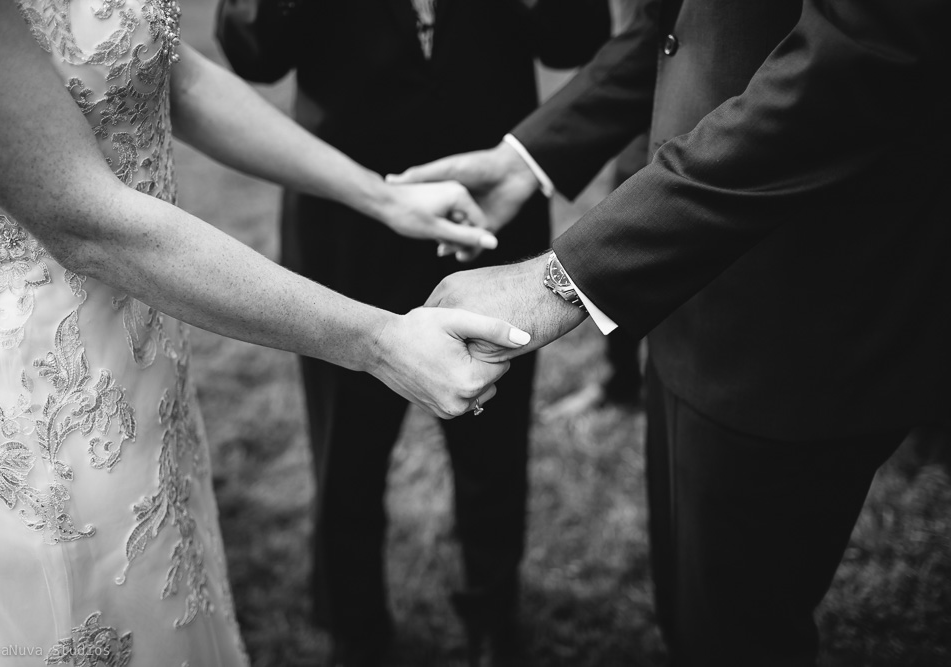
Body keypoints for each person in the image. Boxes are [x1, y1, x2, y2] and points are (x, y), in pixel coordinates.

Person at [0, 0, 532, 665]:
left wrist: (381, 195)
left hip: (147, 350)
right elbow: (88, 223)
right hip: (39, 395)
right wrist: (377, 339)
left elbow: (179, 77)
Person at [389, 0, 951, 664]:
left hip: (798, 311)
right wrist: (529, 158)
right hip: (690, 300)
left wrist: (564, 279)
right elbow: (675, 26)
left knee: (739, 632)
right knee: (693, 610)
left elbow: (856, 64)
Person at [216, 2, 610, 665]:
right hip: (343, 210)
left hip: (492, 203)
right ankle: (356, 628)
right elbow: (253, 50)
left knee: (495, 428)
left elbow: (576, 38)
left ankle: (493, 612)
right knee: (346, 445)